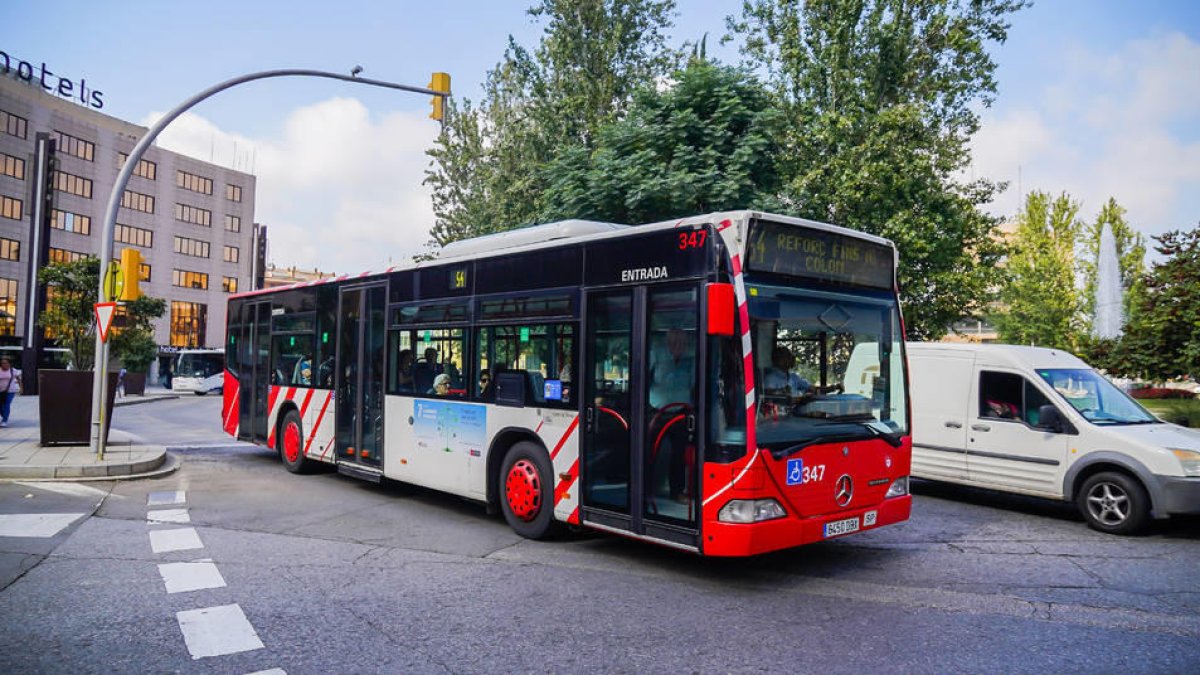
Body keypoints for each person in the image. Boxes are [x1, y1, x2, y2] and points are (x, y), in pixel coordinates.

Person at [648, 329, 695, 504]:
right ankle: (647, 489)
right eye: (674, 341)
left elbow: (694, 384)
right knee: (651, 453)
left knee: (679, 455)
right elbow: (644, 377)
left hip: (681, 411)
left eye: (682, 341)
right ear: (667, 341)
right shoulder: (657, 354)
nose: (678, 344)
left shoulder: (690, 358)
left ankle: (677, 491)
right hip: (657, 411)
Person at [0, 357, 22, 427]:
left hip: (10, 391)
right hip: (0, 391)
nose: (4, 364)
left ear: (9, 364)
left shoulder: (13, 370)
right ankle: (4, 415)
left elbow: (19, 380)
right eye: (2, 363)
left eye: (6, 363)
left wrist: (21, 388)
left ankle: (4, 420)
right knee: (1, 406)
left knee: (6, 404)